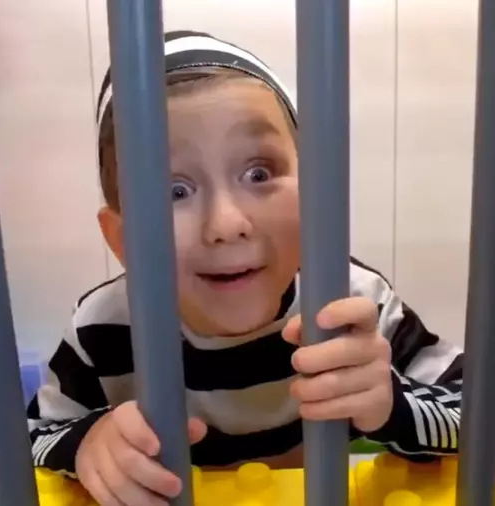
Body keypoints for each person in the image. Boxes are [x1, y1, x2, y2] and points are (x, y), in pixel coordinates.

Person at [27, 31, 464, 506]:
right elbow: (32, 437)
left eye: (259, 173)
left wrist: (391, 405)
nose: (226, 224)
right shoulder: (101, 328)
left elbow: (472, 411)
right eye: (174, 191)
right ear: (121, 239)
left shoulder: (351, 302)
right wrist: (87, 444)